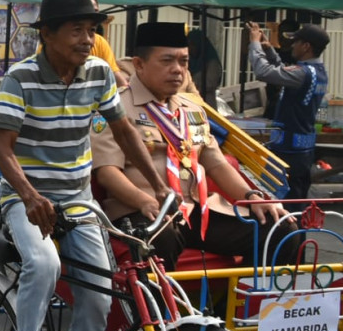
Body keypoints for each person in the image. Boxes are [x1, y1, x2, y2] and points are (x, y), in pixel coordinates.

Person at [0, 0, 170, 331]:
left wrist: (157, 185)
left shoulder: (99, 74)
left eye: (91, 30)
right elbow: (2, 148)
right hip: (26, 197)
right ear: (47, 34)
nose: (87, 40)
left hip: (77, 197)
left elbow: (123, 130)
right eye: (76, 30)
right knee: (43, 262)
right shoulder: (20, 79)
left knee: (97, 296)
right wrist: (31, 197)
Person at [92, 22, 297, 269]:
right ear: (139, 64)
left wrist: (252, 197)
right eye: (167, 61)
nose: (177, 70)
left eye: (183, 62)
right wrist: (143, 201)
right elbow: (107, 172)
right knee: (160, 239)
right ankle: (164, 308)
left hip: (197, 211)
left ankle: (241, 306)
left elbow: (217, 164)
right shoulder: (116, 109)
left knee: (282, 229)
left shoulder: (193, 110)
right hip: (142, 209)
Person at [247, 21, 329, 200]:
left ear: (306, 46)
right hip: (302, 150)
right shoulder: (318, 71)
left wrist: (254, 43)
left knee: (284, 202)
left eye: (296, 42)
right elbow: (284, 70)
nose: (292, 45)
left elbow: (264, 72)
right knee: (297, 199)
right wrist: (269, 50)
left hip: (289, 151)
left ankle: (289, 228)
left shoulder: (303, 74)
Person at [87, 0, 128, 89]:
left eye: (95, 11)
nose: (87, 41)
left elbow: (116, 78)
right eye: (77, 30)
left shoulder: (100, 42)